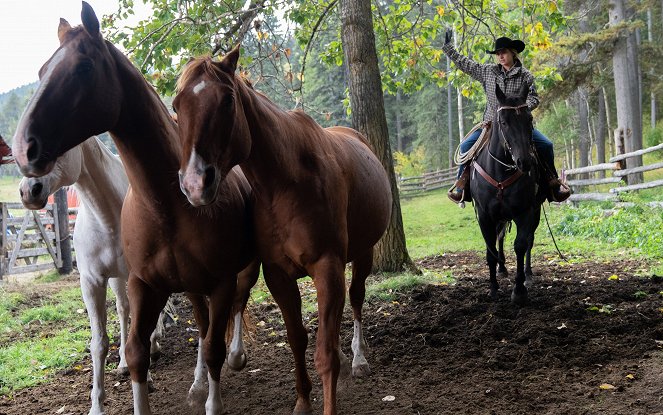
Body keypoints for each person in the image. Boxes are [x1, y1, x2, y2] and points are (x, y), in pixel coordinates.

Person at [443, 29, 570, 203]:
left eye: (503, 52)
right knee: (465, 147)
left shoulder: (526, 76)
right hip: (490, 125)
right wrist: (448, 48)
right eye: (498, 53)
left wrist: (521, 108)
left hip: (518, 126)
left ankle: (553, 185)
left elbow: (534, 98)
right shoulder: (488, 72)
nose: (500, 56)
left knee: (546, 145)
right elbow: (466, 64)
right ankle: (461, 187)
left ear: (513, 53)